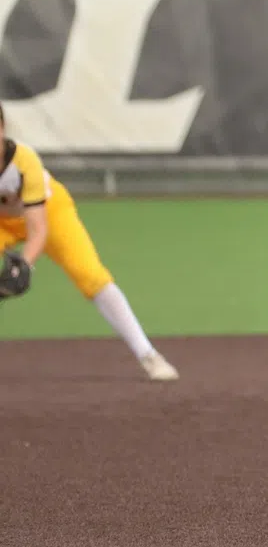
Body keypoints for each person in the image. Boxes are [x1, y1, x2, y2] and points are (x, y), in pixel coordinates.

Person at [0, 102, 178, 380]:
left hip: (49, 212)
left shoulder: (24, 161)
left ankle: (148, 354)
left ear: (3, 129)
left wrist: (24, 265)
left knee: (90, 275)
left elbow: (38, 228)